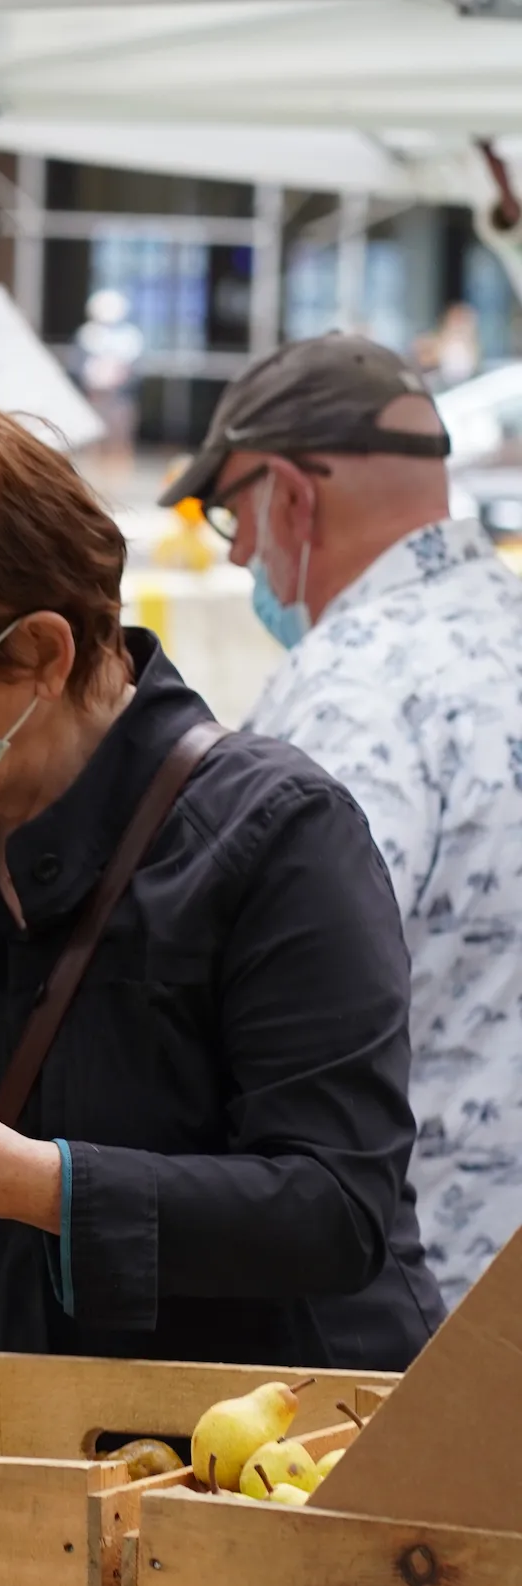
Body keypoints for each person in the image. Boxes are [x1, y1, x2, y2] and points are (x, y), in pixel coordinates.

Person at [0, 404, 441, 1368]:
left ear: (41, 650)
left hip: (256, 1452)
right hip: (28, 1435)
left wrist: (32, 1182)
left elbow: (336, 1207)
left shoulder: (277, 834)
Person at [163, 331, 522, 1309]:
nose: (235, 547)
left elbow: (283, 997)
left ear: (288, 494)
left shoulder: (349, 693)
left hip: (434, 1296)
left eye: (225, 509)